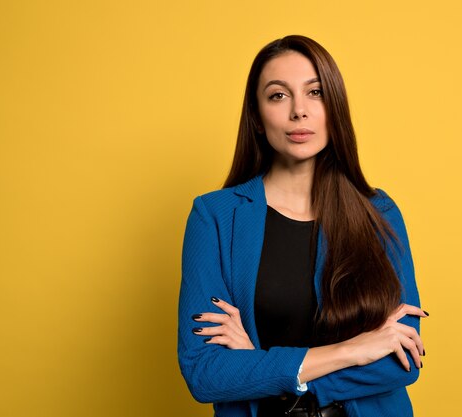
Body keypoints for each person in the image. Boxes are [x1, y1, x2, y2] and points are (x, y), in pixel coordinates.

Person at [178, 35, 427, 417]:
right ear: (257, 118)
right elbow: (204, 372)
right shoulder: (215, 217)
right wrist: (350, 351)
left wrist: (260, 366)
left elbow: (401, 359)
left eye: (316, 92)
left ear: (336, 108)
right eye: (278, 95)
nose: (300, 111)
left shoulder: (379, 213)